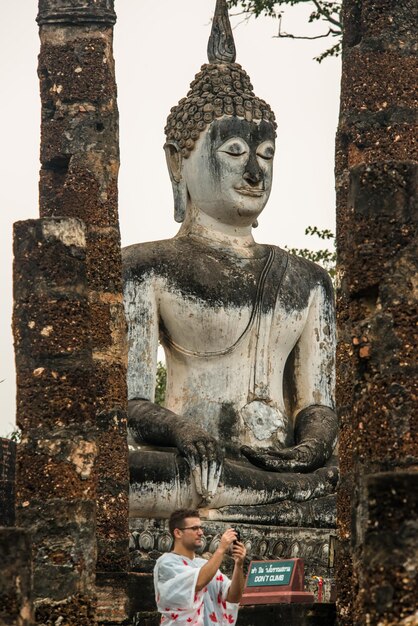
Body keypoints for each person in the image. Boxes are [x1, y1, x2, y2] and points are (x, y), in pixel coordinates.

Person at [123, 0, 338, 525]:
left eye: (266, 156)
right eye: (236, 150)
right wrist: (181, 430)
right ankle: (254, 505)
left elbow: (318, 404)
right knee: (123, 478)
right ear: (178, 161)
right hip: (185, 463)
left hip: (281, 470)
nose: (254, 173)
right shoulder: (145, 268)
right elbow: (126, 403)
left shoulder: (308, 282)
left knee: (340, 478)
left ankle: (260, 501)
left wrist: (309, 448)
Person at [154, 508, 246, 625]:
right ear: (178, 533)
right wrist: (221, 549)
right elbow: (197, 583)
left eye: (200, 528)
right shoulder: (166, 563)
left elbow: (233, 597)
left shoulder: (202, 564)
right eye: (194, 528)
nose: (201, 532)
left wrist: (239, 565)